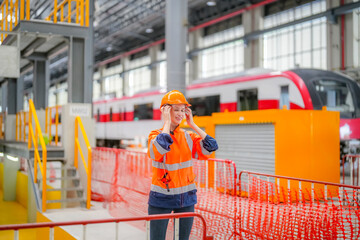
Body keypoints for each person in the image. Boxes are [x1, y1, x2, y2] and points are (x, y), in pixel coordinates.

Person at [147, 90, 218, 240]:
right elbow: (158, 150)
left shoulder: (188, 136)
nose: (180, 114)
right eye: (176, 110)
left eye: (182, 110)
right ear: (165, 110)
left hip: (186, 199)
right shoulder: (155, 135)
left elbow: (211, 146)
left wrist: (192, 124)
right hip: (161, 198)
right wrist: (167, 123)